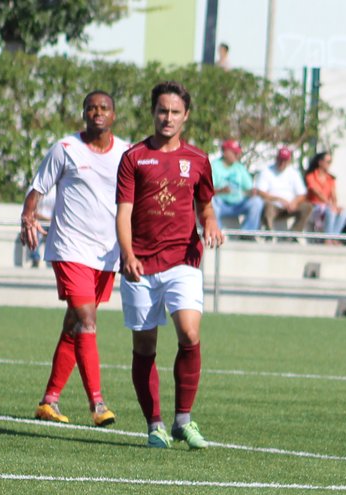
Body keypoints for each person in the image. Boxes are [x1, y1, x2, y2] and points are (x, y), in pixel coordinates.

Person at [115, 80, 225, 449]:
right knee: (145, 345)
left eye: (175, 111)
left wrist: (210, 223)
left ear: (186, 115)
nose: (168, 117)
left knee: (190, 334)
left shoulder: (198, 159)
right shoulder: (134, 157)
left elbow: (205, 205)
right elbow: (124, 212)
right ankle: (155, 425)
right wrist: (127, 254)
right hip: (140, 264)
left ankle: (183, 420)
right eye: (162, 110)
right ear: (153, 112)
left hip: (183, 259)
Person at [20, 90, 130, 426]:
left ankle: (49, 401)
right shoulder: (65, 148)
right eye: (91, 108)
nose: (97, 112)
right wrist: (27, 217)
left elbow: (135, 199)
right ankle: (97, 404)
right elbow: (37, 188)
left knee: (74, 324)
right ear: (84, 113)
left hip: (106, 253)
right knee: (87, 320)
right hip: (70, 248)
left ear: (113, 115)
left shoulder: (126, 152)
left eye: (104, 108)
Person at [211, 139, 264, 236]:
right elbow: (206, 191)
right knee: (212, 202)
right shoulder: (214, 166)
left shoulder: (239, 167)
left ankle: (247, 234)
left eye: (237, 153)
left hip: (238, 204)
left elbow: (248, 188)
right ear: (225, 152)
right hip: (220, 204)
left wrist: (252, 192)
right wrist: (221, 191)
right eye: (234, 152)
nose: (237, 155)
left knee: (257, 202)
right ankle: (216, 233)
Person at [254, 147, 311, 236]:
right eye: (280, 160)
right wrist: (279, 199)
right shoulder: (267, 171)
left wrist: (294, 203)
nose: (282, 163)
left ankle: (294, 234)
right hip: (273, 206)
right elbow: (260, 192)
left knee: (307, 207)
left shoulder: (294, 173)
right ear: (276, 159)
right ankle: (269, 233)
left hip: (289, 207)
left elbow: (302, 194)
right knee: (268, 206)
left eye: (285, 160)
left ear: (289, 161)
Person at [305, 150, 346, 243]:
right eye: (328, 162)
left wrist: (335, 206)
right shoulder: (311, 176)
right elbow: (317, 193)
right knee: (330, 211)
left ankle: (334, 237)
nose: (330, 164)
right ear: (320, 162)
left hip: (326, 206)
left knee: (343, 212)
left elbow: (334, 195)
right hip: (313, 206)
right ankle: (327, 238)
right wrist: (330, 205)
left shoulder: (330, 178)